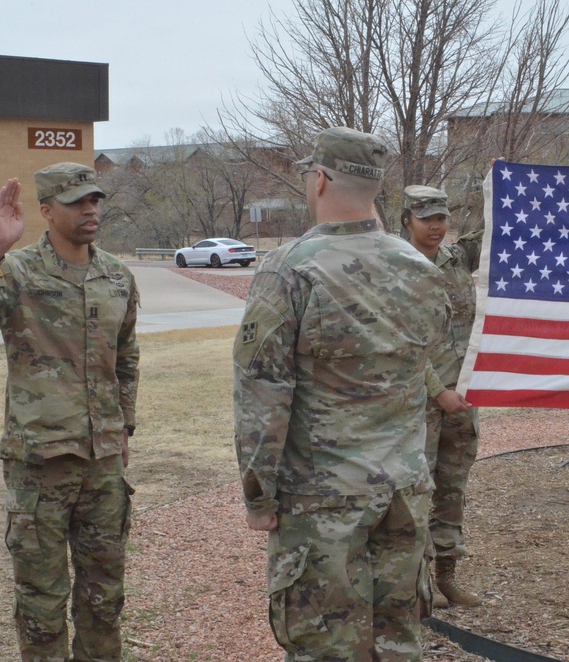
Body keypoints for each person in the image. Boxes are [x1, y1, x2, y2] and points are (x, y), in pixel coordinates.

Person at [233, 127, 451, 661]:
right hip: (404, 487)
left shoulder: (290, 269)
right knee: (397, 641)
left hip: (323, 497)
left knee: (326, 645)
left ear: (322, 179)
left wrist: (259, 497)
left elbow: (262, 393)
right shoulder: (420, 270)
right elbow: (428, 360)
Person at [0, 163, 140, 662]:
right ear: (46, 211)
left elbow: (126, 356)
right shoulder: (18, 273)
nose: (90, 210)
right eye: (76, 202)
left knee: (103, 599)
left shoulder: (117, 275)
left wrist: (124, 424)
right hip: (39, 466)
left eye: (95, 200)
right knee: (41, 605)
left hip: (103, 464)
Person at [402, 184, 484, 609]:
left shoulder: (457, 259)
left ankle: (447, 576)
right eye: (426, 219)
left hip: (462, 400)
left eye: (441, 218)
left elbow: (497, 233)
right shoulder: (395, 267)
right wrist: (439, 393)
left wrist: (501, 184)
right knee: (417, 493)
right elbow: (403, 342)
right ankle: (418, 585)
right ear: (406, 222)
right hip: (419, 403)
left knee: (452, 490)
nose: (436, 227)